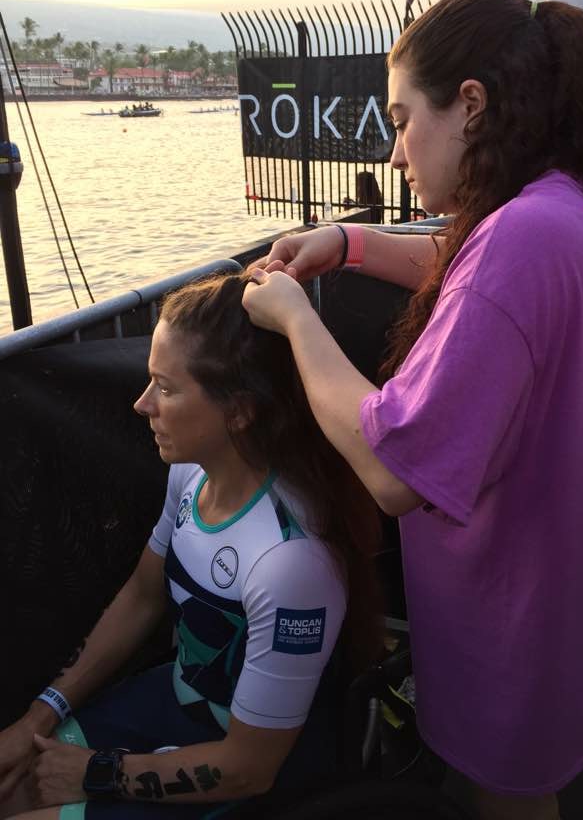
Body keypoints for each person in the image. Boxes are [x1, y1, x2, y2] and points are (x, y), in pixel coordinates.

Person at [241, 0, 583, 820]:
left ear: (472, 105)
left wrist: (295, 320)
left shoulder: (519, 241)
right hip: (574, 602)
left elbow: (392, 468)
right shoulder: (561, 210)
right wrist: (349, 242)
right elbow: (478, 284)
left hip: (515, 627)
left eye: (402, 119)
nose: (395, 154)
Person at [0, 273, 380, 820]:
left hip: (244, 769)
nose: (141, 404)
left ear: (239, 410)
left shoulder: (290, 563)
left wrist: (96, 772)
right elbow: (142, 596)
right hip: (172, 704)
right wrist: (36, 719)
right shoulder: (192, 475)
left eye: (165, 387)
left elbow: (251, 766)